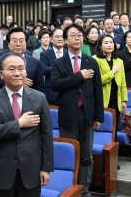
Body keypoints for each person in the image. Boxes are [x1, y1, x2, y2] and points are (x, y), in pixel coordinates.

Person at [0, 52, 53, 197]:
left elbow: (47, 135)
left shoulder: (39, 98)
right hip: (1, 171)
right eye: (11, 69)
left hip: (31, 170)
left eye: (21, 69)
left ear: (26, 72)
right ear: (1, 74)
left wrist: (46, 168)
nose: (17, 73)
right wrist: (19, 124)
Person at [50, 23, 104, 197]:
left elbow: (97, 91)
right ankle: (69, 188)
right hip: (68, 114)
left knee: (86, 156)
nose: (77, 38)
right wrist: (79, 76)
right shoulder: (59, 63)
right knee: (69, 153)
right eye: (72, 35)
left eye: (80, 35)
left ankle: (84, 190)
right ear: (65, 40)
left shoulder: (92, 61)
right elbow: (55, 85)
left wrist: (98, 116)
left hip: (87, 113)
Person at [94, 34, 128, 143]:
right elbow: (98, 80)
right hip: (102, 98)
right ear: (100, 46)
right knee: (102, 127)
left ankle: (113, 154)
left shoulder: (119, 61)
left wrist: (123, 99)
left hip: (116, 98)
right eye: (106, 43)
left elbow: (123, 82)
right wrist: (112, 72)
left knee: (114, 127)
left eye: (111, 42)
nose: (110, 45)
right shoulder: (96, 60)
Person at [0, 27, 44, 92]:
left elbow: (40, 88)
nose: (18, 44)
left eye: (21, 41)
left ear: (26, 43)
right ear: (8, 43)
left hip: (29, 100)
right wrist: (14, 81)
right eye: (14, 41)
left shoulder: (36, 62)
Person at [40, 28, 67, 105]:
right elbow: (44, 70)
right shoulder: (45, 54)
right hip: (51, 93)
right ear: (51, 39)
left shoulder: (68, 54)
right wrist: (60, 67)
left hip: (67, 92)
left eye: (62, 37)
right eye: (57, 37)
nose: (60, 39)